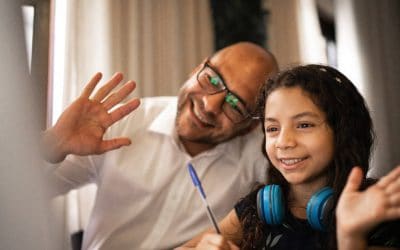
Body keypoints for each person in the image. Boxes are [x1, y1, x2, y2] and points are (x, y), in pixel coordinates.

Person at [41, 42, 279, 249]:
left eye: (234, 104)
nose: (209, 104)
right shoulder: (124, 122)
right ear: (197, 69)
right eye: (211, 79)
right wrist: (53, 145)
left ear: (250, 126)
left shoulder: (263, 163)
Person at [179, 64, 400, 250]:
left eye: (304, 125)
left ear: (343, 132)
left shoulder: (378, 210)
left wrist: (351, 238)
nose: (284, 142)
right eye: (273, 128)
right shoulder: (257, 209)